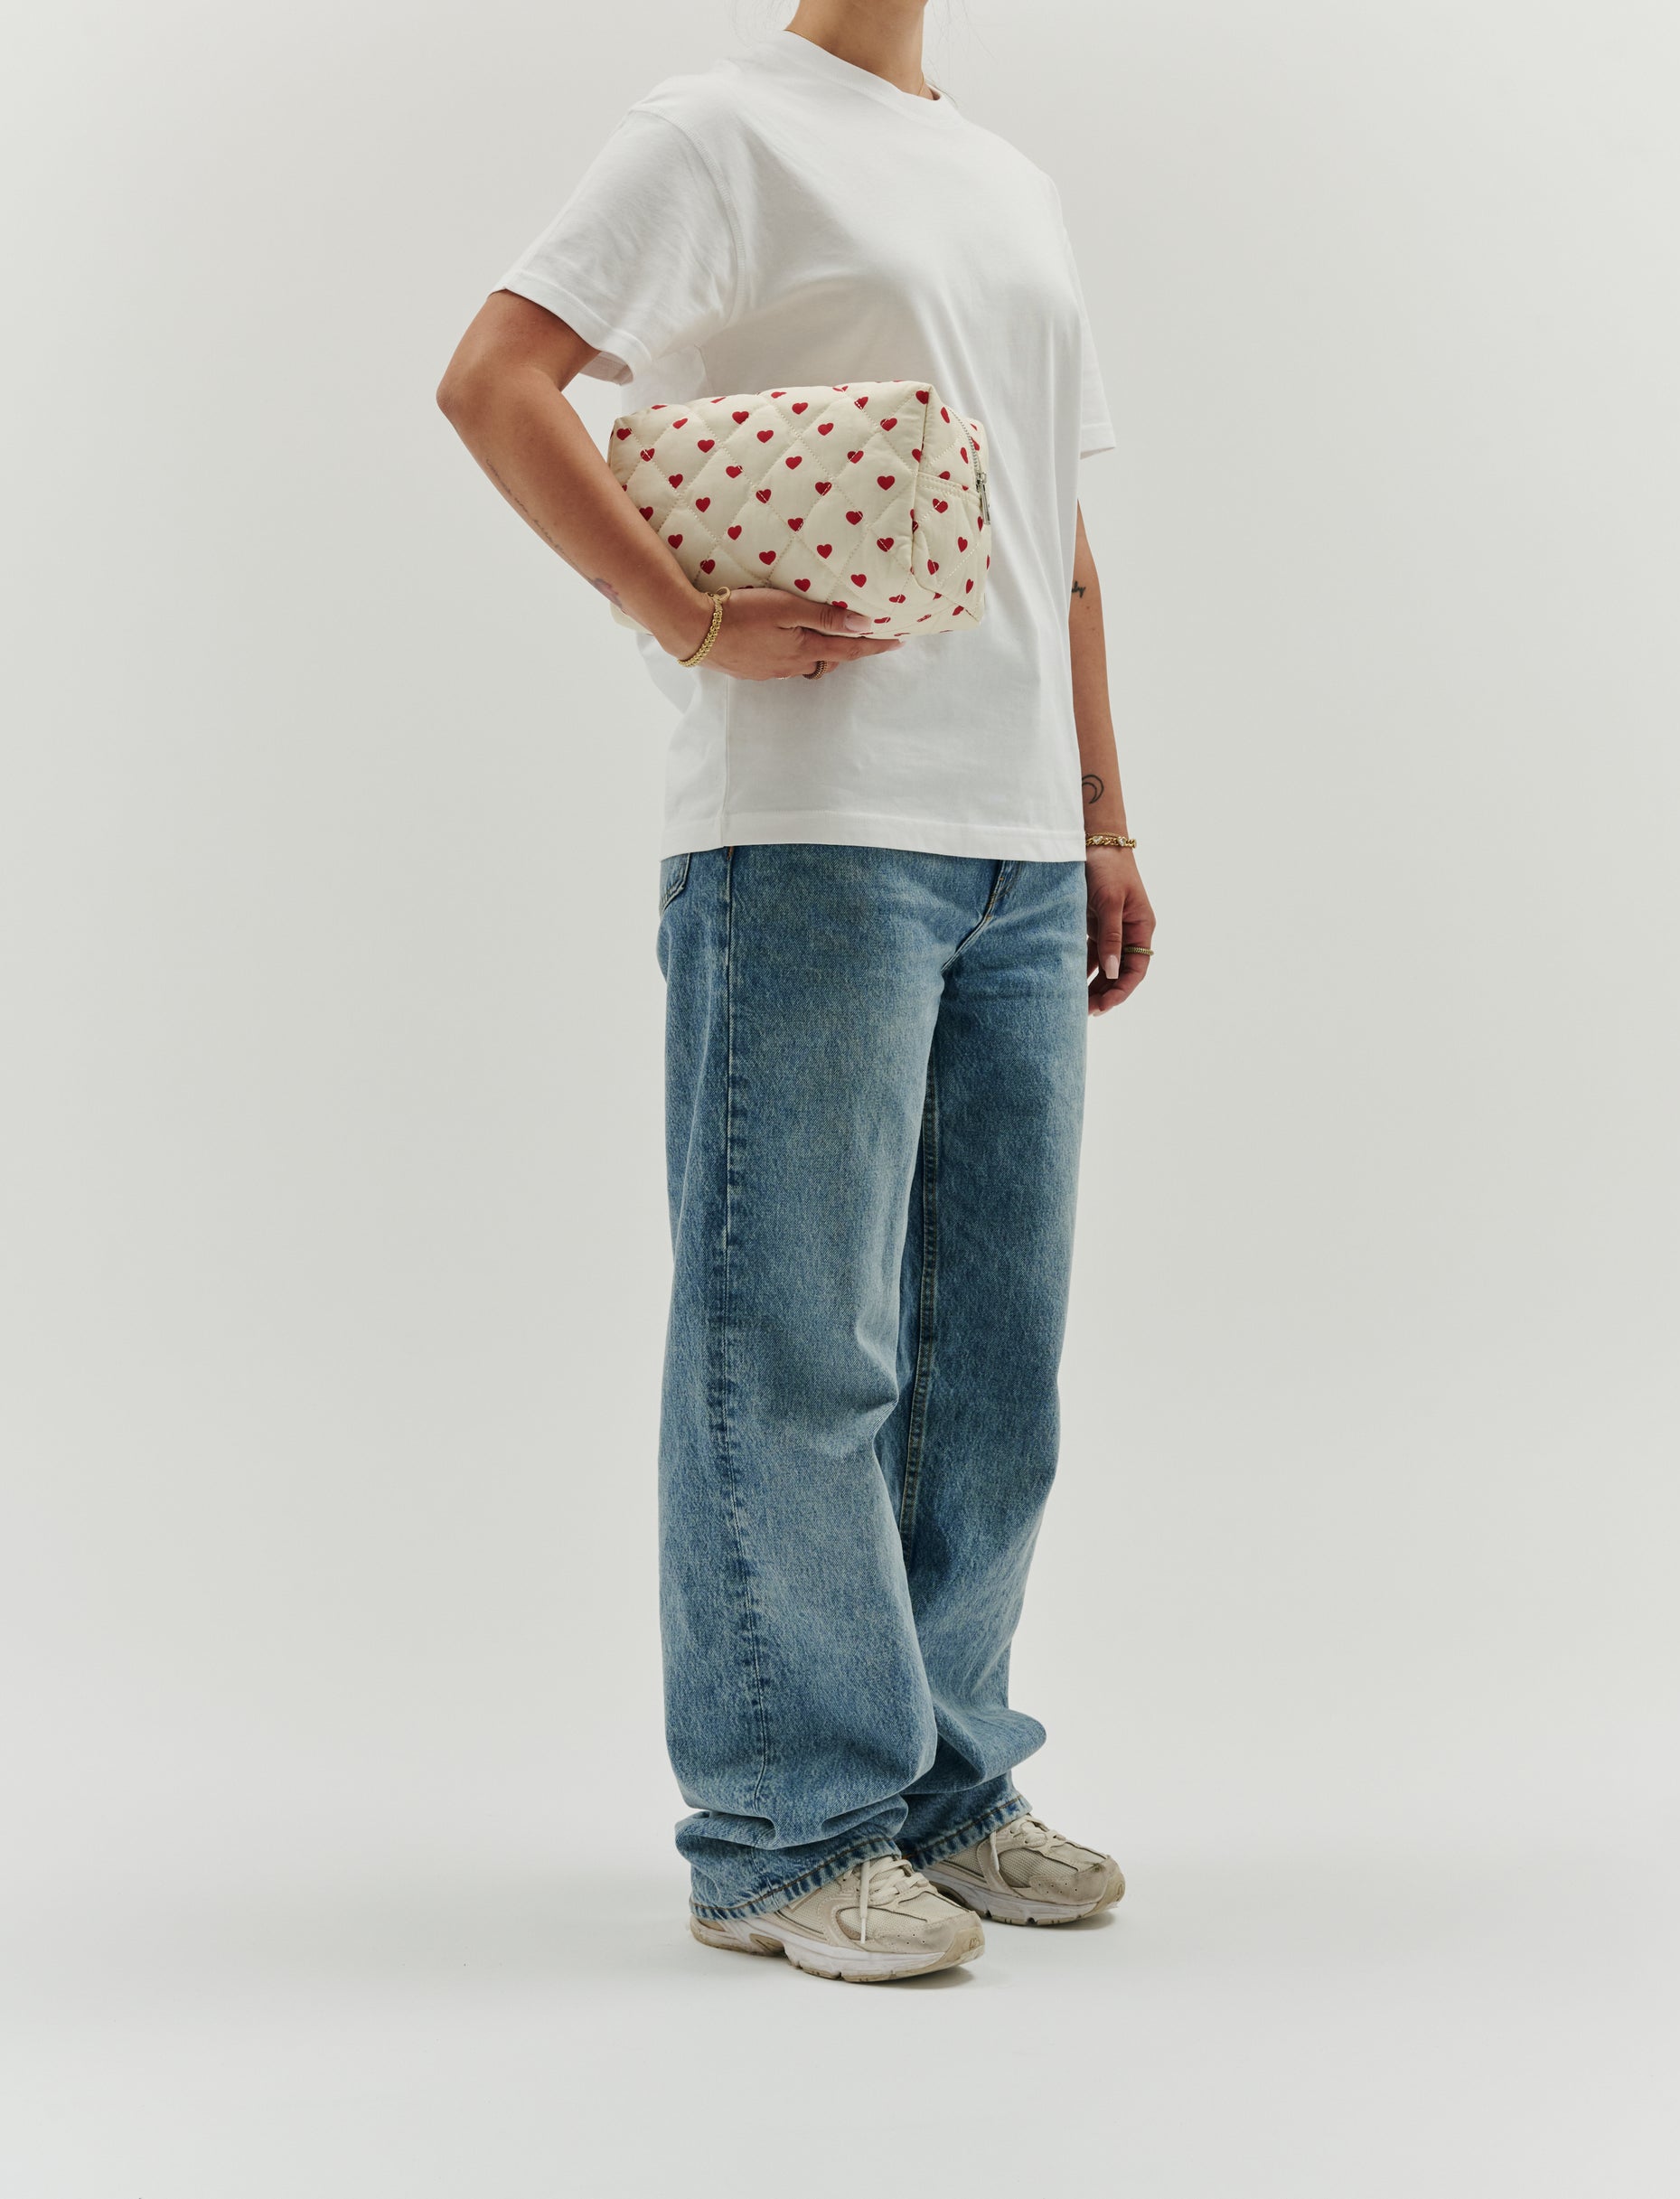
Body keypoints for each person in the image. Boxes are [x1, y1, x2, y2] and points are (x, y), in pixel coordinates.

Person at [436, 1, 1154, 1985]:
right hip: (811, 826)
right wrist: (680, 613)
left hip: (1011, 843)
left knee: (989, 1356)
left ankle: (943, 1785)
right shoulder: (718, 129)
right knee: (796, 1343)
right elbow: (494, 379)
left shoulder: (1006, 179)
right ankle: (781, 1825)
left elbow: (1051, 531)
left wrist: (1097, 812)